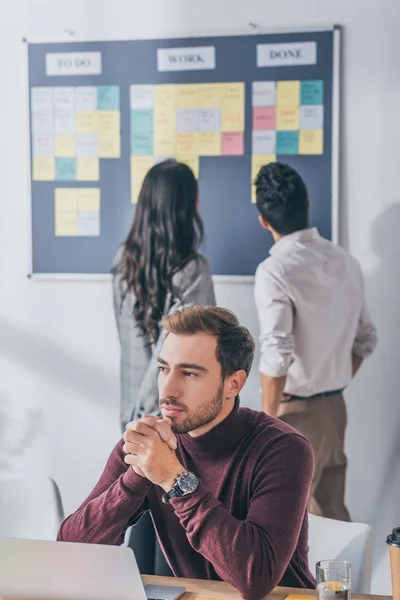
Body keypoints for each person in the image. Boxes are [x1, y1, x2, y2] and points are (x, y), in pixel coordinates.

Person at [58, 306, 316, 600]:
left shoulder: (282, 448)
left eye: (189, 373)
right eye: (164, 369)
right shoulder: (148, 443)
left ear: (233, 383)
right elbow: (72, 549)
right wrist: (136, 477)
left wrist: (173, 477)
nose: (168, 389)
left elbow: (254, 578)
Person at [253, 162, 378, 521]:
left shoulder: (274, 270)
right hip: (335, 410)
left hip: (291, 414)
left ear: (263, 220)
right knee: (332, 518)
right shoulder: (346, 261)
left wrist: (266, 423)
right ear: (307, 201)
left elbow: (276, 354)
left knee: (283, 527)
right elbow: (366, 339)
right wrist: (331, 376)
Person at [111, 159, 215, 575]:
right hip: (174, 416)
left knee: (138, 515)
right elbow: (192, 352)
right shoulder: (192, 270)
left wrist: (136, 415)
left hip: (131, 416)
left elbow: (131, 343)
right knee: (177, 529)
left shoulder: (123, 262)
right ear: (187, 205)